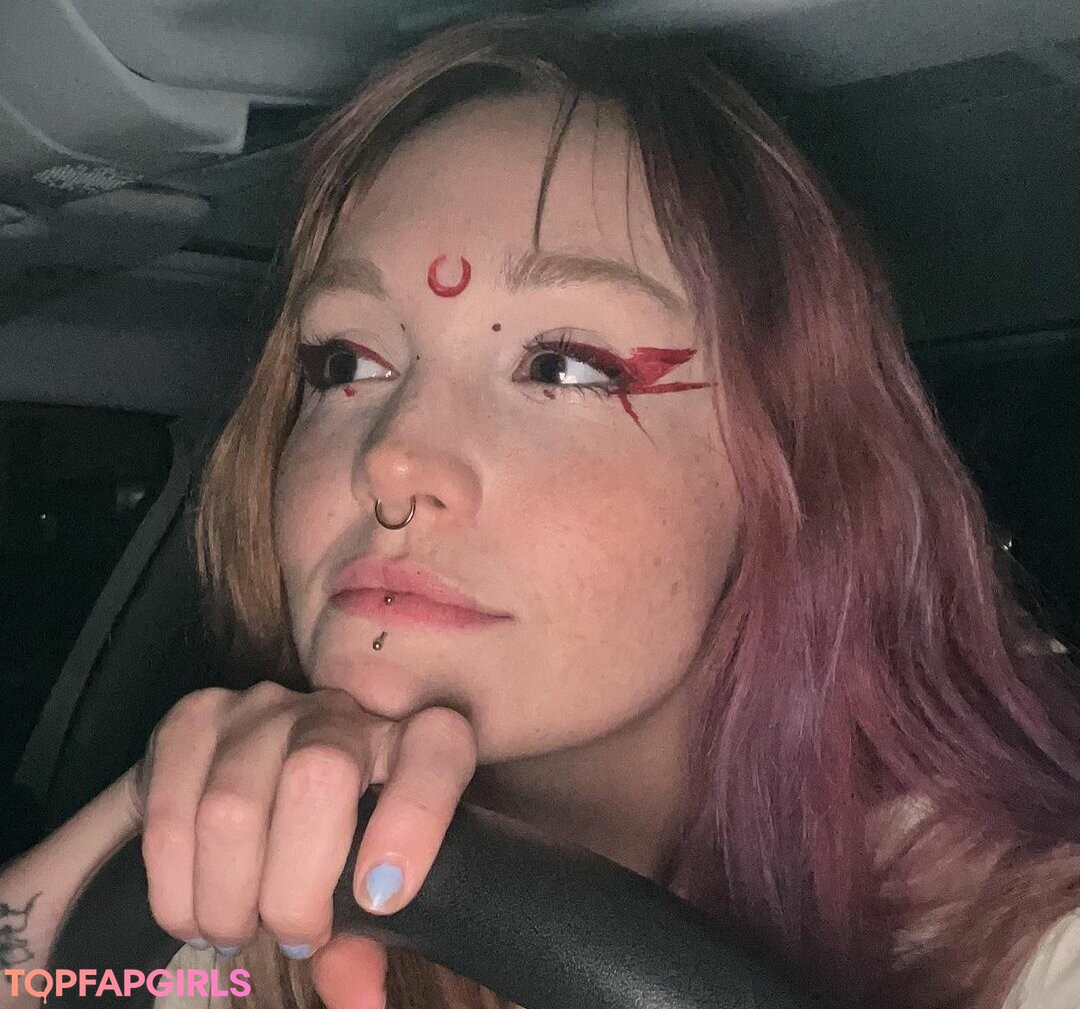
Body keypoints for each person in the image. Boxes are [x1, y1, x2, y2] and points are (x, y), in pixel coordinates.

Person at [3, 13, 1080, 1009]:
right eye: (346, 362)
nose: (391, 460)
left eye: (565, 366)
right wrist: (141, 816)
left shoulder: (1017, 935)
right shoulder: (269, 887)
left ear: (793, 472)